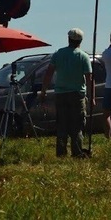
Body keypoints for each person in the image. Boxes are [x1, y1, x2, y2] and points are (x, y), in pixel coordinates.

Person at [41, 28, 94, 157]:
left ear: (68, 39)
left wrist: (43, 91)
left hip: (61, 94)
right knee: (77, 125)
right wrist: (92, 96)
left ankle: (61, 153)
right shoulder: (83, 56)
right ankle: (77, 152)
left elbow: (49, 73)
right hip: (77, 95)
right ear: (80, 41)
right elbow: (89, 78)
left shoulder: (58, 54)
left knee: (62, 125)